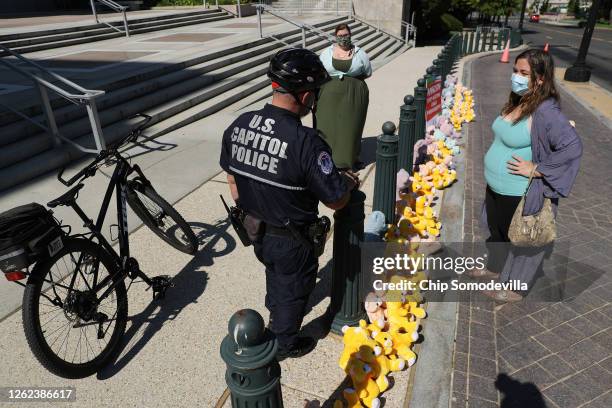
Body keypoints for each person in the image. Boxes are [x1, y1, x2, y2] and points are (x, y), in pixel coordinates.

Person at [219, 48, 359, 359]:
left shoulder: (240, 124)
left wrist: (258, 204)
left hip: (255, 228)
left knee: (274, 274)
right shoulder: (306, 143)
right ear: (306, 96)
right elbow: (337, 200)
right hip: (293, 240)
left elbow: (231, 177)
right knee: (294, 288)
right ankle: (283, 343)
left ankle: (276, 307)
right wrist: (348, 182)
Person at [468, 49, 582, 302]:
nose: (516, 77)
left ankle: (514, 288)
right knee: (497, 232)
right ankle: (495, 268)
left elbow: (571, 147)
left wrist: (538, 169)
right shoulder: (520, 100)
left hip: (518, 190)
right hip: (496, 188)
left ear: (540, 78)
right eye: (515, 71)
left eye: (524, 73)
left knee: (523, 243)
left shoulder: (545, 111)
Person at [316, 23, 372, 170]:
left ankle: (347, 161)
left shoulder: (360, 53)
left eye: (346, 35)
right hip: (328, 97)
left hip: (353, 97)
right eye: (340, 36)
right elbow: (320, 71)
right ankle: (325, 158)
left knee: (351, 128)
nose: (343, 38)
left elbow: (368, 72)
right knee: (327, 126)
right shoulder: (326, 53)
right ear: (335, 37)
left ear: (350, 35)